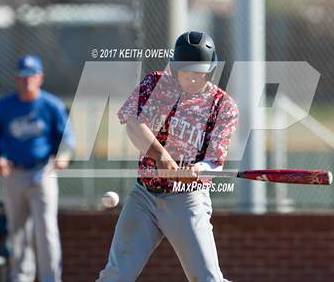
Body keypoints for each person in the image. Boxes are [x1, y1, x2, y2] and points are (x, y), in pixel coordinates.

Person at [97, 31, 239, 282]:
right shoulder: (155, 84)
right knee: (116, 275)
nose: (194, 78)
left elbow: (215, 162)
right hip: (144, 195)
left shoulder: (223, 106)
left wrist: (198, 169)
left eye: (200, 72)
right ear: (175, 68)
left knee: (207, 278)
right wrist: (161, 156)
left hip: (187, 200)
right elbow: (133, 125)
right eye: (187, 72)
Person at [0, 55, 75, 282]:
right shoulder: (6, 105)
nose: (27, 80)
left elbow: (68, 138)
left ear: (40, 77)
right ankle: (20, 278)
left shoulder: (50, 105)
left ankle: (50, 279)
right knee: (17, 231)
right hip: (14, 172)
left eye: (32, 75)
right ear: (16, 78)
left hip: (43, 171)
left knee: (46, 231)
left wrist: (62, 157)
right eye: (23, 75)